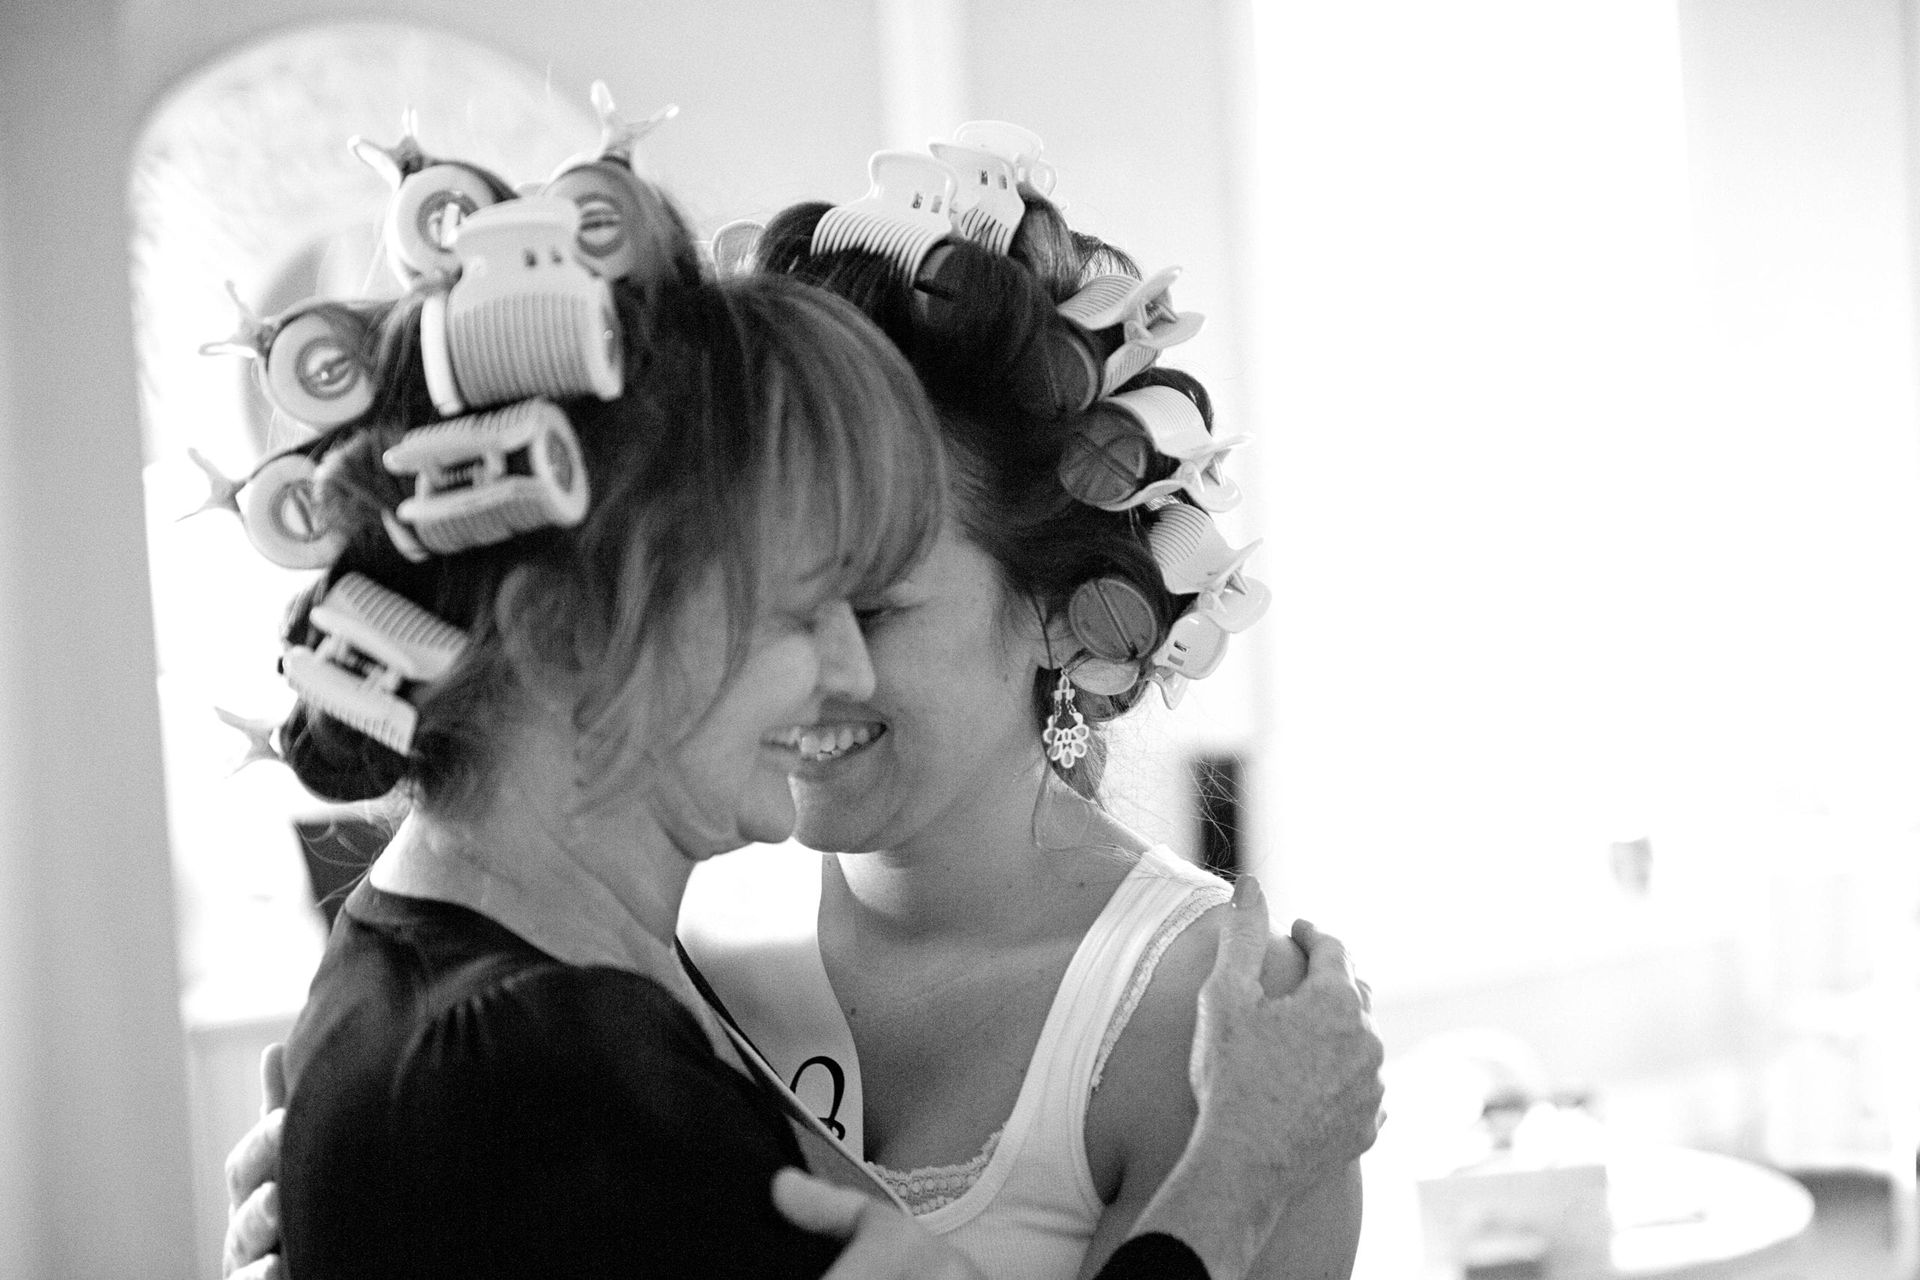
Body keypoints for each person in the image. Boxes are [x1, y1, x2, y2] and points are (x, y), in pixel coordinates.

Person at [207, 97, 1382, 1280]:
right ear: (563, 629)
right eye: (787, 602)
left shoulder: (1224, 1016)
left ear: (1060, 610)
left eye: (868, 603)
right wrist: (1233, 1175)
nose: (833, 668)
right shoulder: (603, 990)